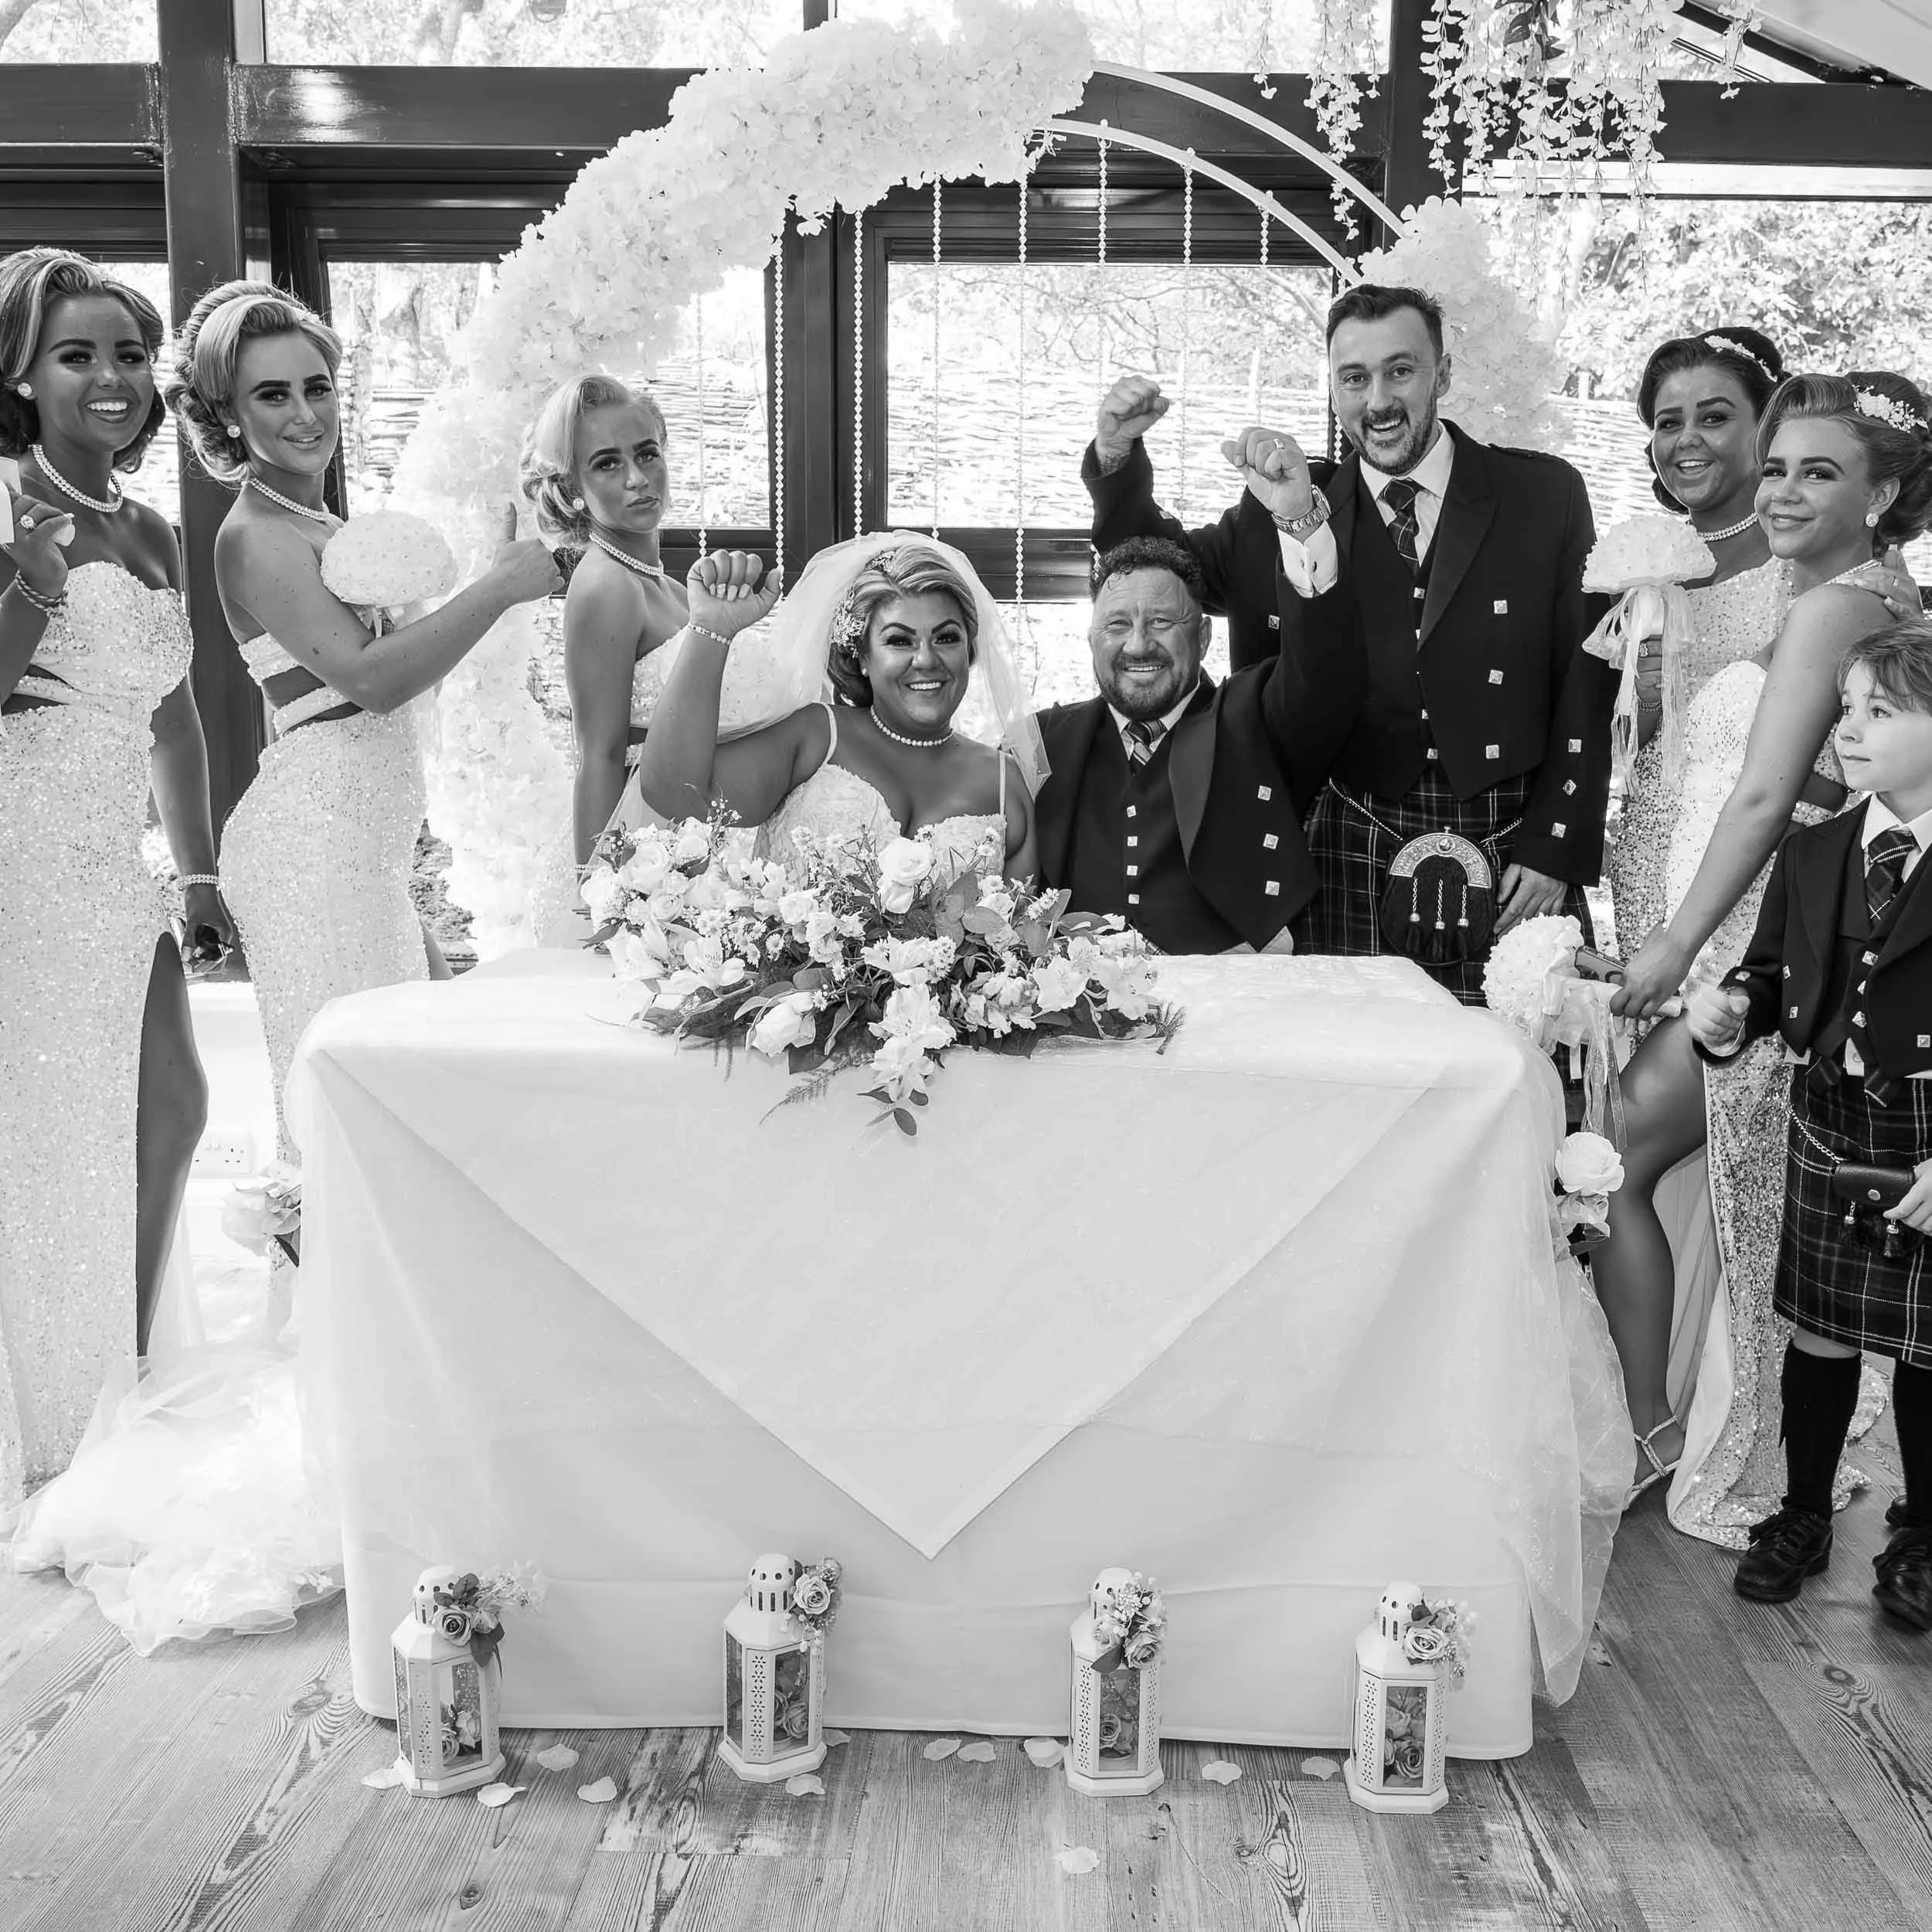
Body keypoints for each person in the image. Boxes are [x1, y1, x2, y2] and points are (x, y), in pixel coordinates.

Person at [1594, 372, 1932, 1528]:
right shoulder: (1849, 590)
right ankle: (1678, 1415)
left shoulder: (1839, 607)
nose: (1784, 489)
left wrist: (1674, 951)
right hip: (1747, 928)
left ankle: (1660, 1432)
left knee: (1613, 1159)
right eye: (1779, 465)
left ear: (1884, 492)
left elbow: (1763, 799)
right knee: (1663, 1177)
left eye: (1819, 471)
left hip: (1743, 942)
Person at [1085, 282, 1613, 1002]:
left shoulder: (1540, 497)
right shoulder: (1285, 507)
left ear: (1443, 375)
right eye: (1354, 378)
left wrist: (1556, 844)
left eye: (1401, 370)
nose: (1379, 401)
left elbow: (1586, 679)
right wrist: (1117, 458)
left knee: (1520, 1075)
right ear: (1333, 388)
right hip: (1344, 842)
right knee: (1361, 1081)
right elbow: (1151, 570)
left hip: (1510, 845)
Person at [163, 281, 560, 1156]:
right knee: (351, 1128)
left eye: (317, 386)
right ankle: (323, 1291)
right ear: (227, 416)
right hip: (313, 857)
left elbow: (347, 699)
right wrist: (498, 587)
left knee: (410, 1102)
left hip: (364, 856)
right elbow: (371, 683)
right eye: (273, 393)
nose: (306, 413)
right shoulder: (253, 536)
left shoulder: (317, 523)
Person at [0, 248, 230, 1522]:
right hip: (21, 857)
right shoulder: (2, 504)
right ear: (22, 376)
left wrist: (197, 871)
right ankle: (57, 1410)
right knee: (47, 1143)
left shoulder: (152, 529)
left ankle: (118, 1367)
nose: (110, 377)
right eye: (76, 353)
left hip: (115, 864)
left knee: (173, 1109)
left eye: (129, 354)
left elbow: (179, 715)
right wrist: (29, 596)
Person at [1686, 621, 1932, 1628]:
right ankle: (1800, 1513)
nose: (1853, 728)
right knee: (1821, 1333)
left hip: (1926, 1135)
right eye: (1848, 707)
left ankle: (1922, 1537)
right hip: (1829, 1115)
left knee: (1927, 1347)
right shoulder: (1820, 845)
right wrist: (1727, 1010)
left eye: (1885, 709)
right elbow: (1772, 969)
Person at [634, 534, 1041, 882]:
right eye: (900, 640)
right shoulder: (816, 738)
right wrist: (712, 629)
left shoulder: (1005, 785)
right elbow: (673, 791)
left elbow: (1017, 950)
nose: (926, 660)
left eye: (946, 638)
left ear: (969, 649)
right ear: (861, 655)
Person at [1029, 536, 1359, 954]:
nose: (1138, 644)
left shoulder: (1255, 717)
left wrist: (1301, 526)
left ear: (1203, 636)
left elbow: (1322, 666)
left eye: (1162, 622)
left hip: (1237, 999)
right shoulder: (1042, 741)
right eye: (1116, 625)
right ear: (1091, 640)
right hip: (1076, 1008)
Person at [520, 373, 688, 864]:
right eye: (607, 464)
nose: (637, 478)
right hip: (645, 853)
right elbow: (600, 755)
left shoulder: (670, 590)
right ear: (574, 487)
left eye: (647, 453)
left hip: (696, 838)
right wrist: (601, 899)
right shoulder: (606, 586)